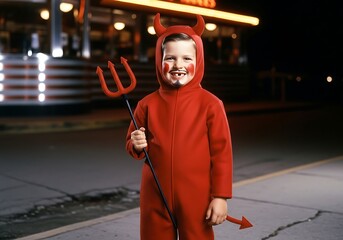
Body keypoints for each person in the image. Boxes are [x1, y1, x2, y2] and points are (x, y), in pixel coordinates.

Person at [126, 13, 233, 240]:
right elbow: (132, 144)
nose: (178, 65)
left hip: (197, 195)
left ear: (199, 60)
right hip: (155, 192)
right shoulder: (146, 104)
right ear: (159, 59)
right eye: (170, 58)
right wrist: (135, 144)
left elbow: (222, 153)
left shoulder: (211, 104)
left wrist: (220, 197)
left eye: (187, 58)